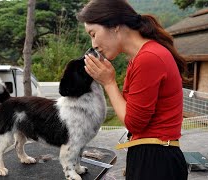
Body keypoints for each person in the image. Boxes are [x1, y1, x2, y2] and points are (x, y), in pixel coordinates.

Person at [77, 0, 188, 179]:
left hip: (156, 161)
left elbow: (134, 122)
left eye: (93, 34)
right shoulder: (141, 57)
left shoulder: (148, 58)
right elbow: (132, 110)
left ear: (114, 25)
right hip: (153, 155)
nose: (94, 44)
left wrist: (109, 83)